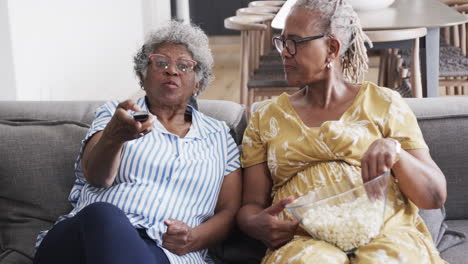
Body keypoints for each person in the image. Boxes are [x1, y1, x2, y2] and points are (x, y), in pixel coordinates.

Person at [237, 0, 447, 263]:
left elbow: (435, 196)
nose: (284, 53)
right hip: (304, 240)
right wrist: (254, 223)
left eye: (295, 42)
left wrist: (396, 152)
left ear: (331, 48)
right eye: (282, 42)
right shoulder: (265, 118)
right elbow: (250, 206)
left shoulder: (384, 103)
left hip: (387, 234)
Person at [34, 20, 242, 264]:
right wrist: (115, 136)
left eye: (184, 66)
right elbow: (97, 176)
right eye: (161, 63)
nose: (171, 70)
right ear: (142, 76)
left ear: (198, 83)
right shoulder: (116, 116)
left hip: (164, 253)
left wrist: (193, 238)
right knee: (104, 215)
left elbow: (229, 211)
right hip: (83, 239)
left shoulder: (220, 137)